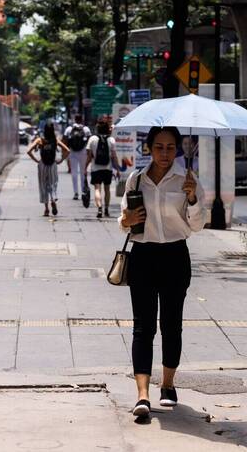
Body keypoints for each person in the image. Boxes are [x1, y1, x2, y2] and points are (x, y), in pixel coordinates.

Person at [119, 126, 205, 419]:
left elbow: (197, 226)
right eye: (159, 147)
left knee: (171, 325)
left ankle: (167, 385)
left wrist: (192, 199)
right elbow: (124, 221)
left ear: (178, 149)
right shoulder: (136, 179)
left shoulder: (187, 180)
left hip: (175, 256)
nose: (165, 153)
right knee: (143, 326)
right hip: (143, 256)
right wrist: (126, 219)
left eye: (170, 147)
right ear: (149, 148)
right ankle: (142, 395)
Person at [27, 121, 70, 216]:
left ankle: (46, 209)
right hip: (52, 164)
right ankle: (53, 199)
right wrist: (61, 160)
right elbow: (67, 150)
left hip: (42, 165)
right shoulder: (55, 140)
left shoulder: (40, 140)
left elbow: (28, 151)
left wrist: (36, 160)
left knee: (43, 185)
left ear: (45, 130)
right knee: (53, 183)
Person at [86, 117, 120, 218]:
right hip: (107, 168)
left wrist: (85, 168)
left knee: (97, 189)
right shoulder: (111, 140)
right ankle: (106, 209)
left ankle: (99, 207)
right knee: (107, 189)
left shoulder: (92, 139)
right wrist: (118, 169)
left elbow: (88, 156)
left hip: (95, 168)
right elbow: (114, 156)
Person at [64, 114, 91, 200]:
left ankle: (75, 192)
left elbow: (65, 140)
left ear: (75, 119)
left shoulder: (69, 129)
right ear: (82, 119)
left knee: (74, 173)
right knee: (83, 172)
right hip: (83, 152)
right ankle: (83, 190)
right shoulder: (86, 129)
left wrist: (65, 152)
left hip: (72, 152)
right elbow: (89, 140)